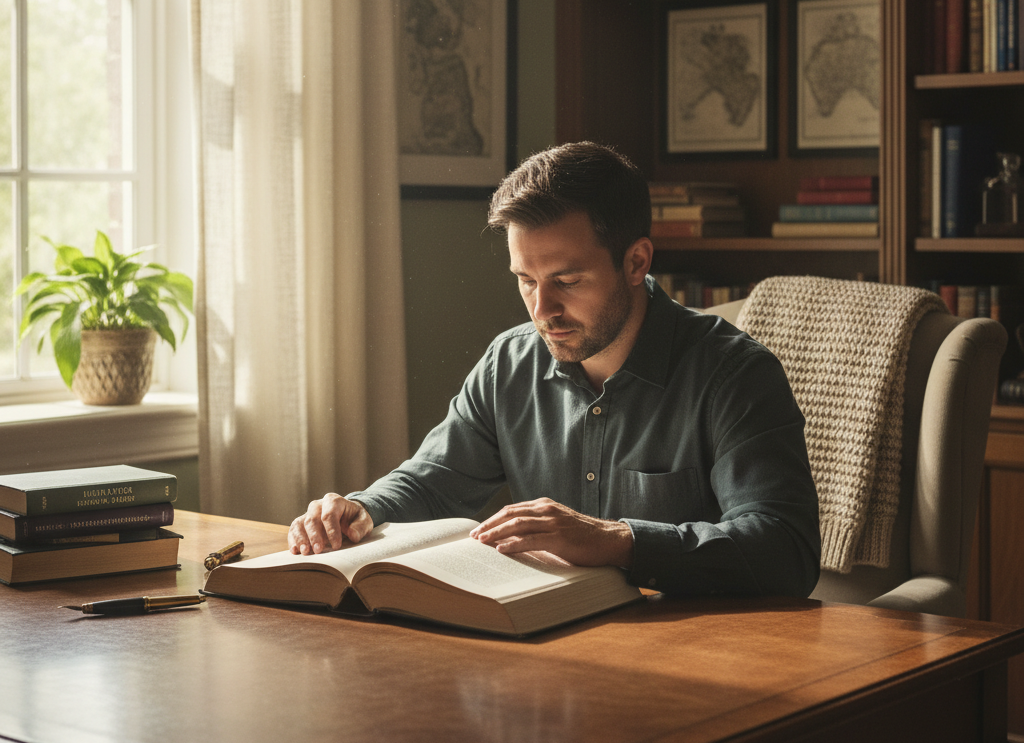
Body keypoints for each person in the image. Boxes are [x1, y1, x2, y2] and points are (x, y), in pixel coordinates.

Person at [289, 142, 821, 596]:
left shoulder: (735, 375)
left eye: (567, 281)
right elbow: (434, 482)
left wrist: (619, 541)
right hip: (547, 647)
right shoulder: (509, 363)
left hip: (699, 655)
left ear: (637, 261)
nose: (542, 310)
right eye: (526, 279)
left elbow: (785, 549)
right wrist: (361, 508)